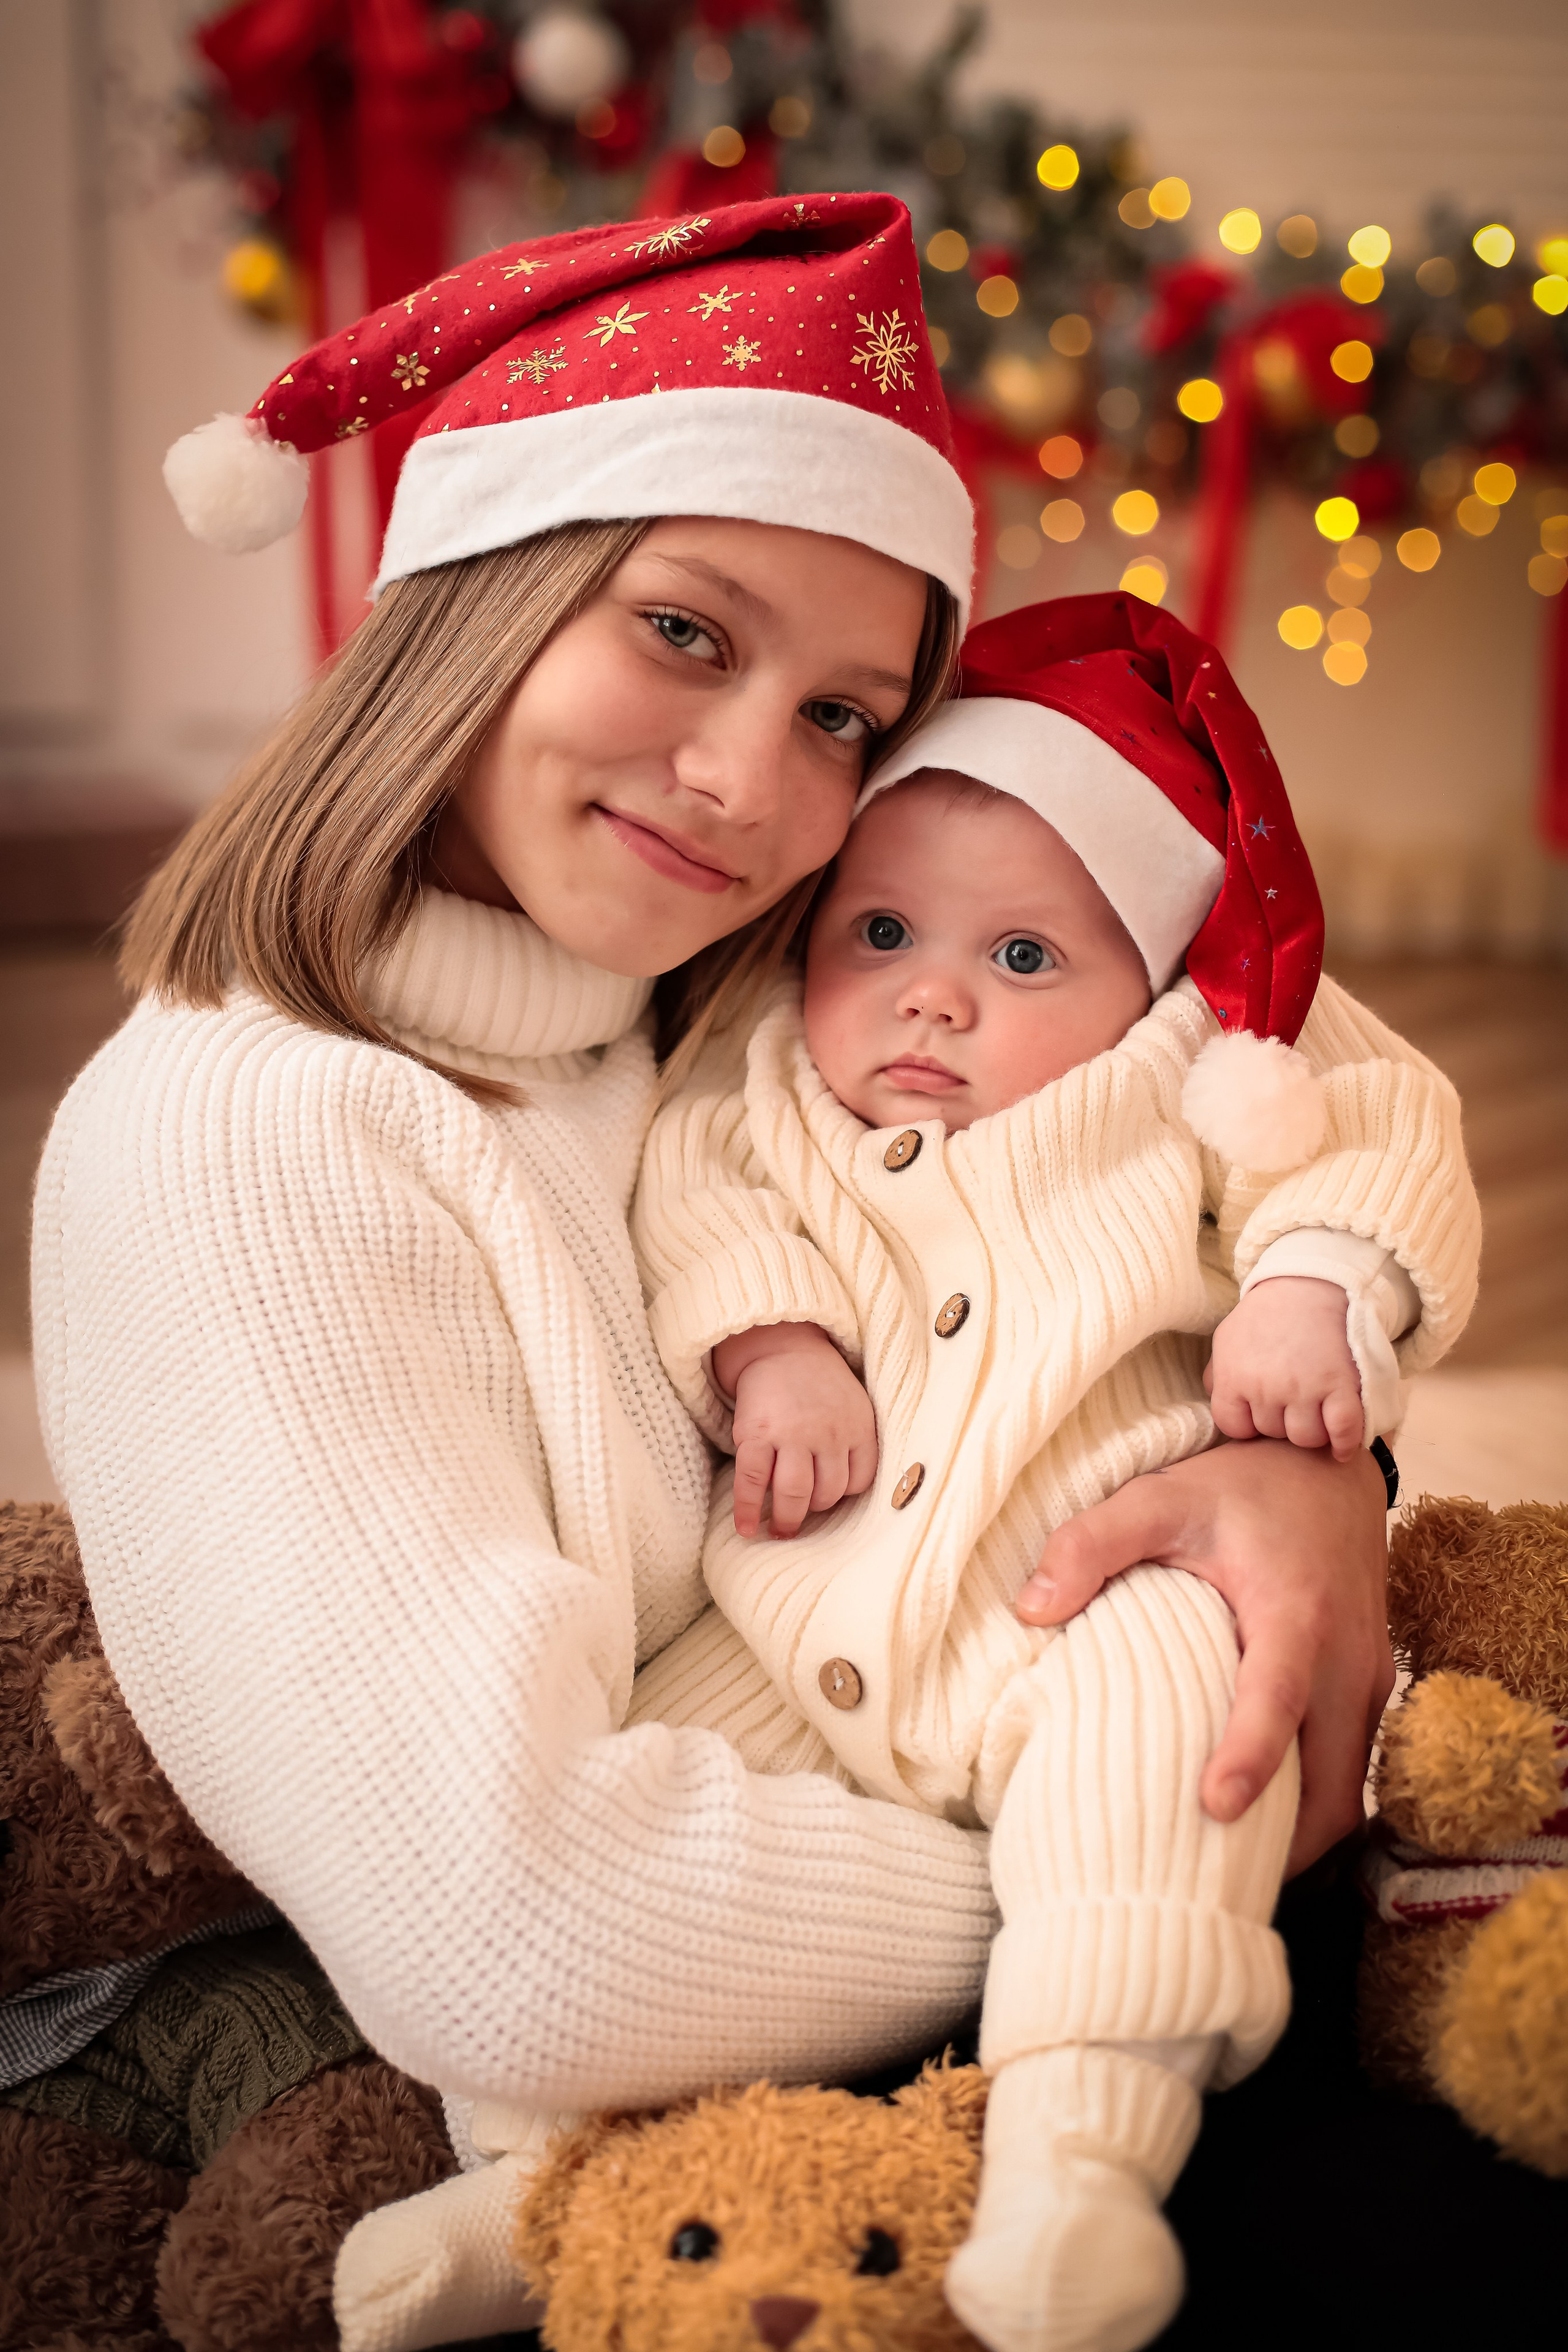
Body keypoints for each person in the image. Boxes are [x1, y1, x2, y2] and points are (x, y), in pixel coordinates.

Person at [21, 196, 1417, 2348]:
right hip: (770, 2009)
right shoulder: (245, 1148)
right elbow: (516, 1942)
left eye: (848, 715)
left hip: (961, 1858)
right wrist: (1146, 1851)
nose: (755, 783)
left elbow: (1247, 1061)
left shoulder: (713, 997)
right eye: (684, 630)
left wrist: (1301, 1465)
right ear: (479, 595)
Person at [626, 597, 1479, 2351]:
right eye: (880, 931)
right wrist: (771, 1345)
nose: (931, 992)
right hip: (800, 1606)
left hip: (1093, 1581)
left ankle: (1080, 2152)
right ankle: (540, 2179)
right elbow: (696, 1193)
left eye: (1024, 958)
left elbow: (1381, 1126)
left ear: (1148, 979)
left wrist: (1315, 1288)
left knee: (1183, 1751)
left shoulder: (1192, 1073)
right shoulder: (769, 1074)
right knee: (633, 1809)